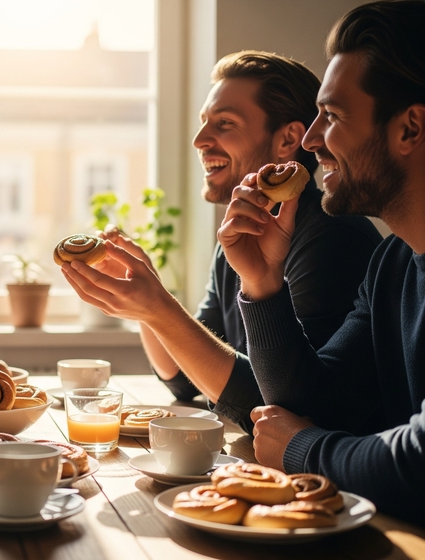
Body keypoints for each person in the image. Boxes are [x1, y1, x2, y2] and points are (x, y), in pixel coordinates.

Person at [60, 51, 382, 430]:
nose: (199, 140)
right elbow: (182, 376)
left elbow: (286, 408)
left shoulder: (331, 237)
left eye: (225, 123)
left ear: (288, 139)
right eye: (203, 123)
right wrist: (144, 303)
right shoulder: (241, 236)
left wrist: (160, 309)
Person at [218, 0, 425, 524]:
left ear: (410, 129)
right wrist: (262, 283)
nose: (311, 141)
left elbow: (419, 463)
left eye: (330, 117)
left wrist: (302, 449)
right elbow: (322, 405)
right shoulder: (393, 264)